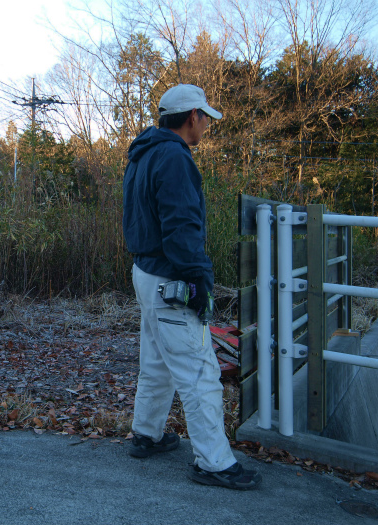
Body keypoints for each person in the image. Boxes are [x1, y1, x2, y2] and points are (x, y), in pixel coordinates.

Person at [122, 84, 261, 490]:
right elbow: (181, 226)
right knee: (200, 372)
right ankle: (214, 463)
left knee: (157, 362)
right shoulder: (174, 158)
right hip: (171, 277)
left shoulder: (142, 154)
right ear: (191, 118)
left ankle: (145, 435)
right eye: (205, 118)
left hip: (145, 273)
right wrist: (198, 278)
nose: (206, 126)